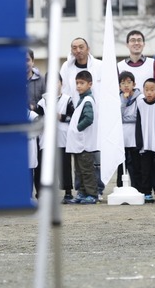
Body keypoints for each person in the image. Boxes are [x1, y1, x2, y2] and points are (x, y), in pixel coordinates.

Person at [59, 38, 104, 198]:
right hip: (74, 117)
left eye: (81, 47)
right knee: (79, 160)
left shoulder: (99, 65)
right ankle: (81, 191)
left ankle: (96, 190)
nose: (78, 50)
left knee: (94, 159)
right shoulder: (66, 67)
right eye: (74, 47)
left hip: (94, 117)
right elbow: (64, 92)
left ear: (88, 48)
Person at [35, 73, 75, 203]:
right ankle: (42, 193)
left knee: (64, 167)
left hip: (62, 140)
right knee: (43, 167)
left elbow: (72, 118)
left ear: (61, 83)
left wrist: (61, 117)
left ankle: (68, 192)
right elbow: (38, 120)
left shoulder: (68, 99)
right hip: (46, 140)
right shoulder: (42, 102)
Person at [66, 71, 99, 204]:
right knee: (79, 170)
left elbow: (89, 118)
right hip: (79, 144)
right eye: (77, 83)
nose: (78, 86)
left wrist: (77, 129)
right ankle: (82, 192)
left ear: (89, 84)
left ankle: (92, 194)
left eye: (82, 83)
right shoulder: (82, 99)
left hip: (84, 143)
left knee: (86, 170)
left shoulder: (87, 100)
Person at [118, 71, 143, 189]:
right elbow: (116, 117)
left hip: (134, 137)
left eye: (129, 82)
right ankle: (120, 187)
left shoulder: (140, 97)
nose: (126, 85)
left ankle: (137, 188)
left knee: (135, 165)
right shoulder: (118, 98)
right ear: (119, 86)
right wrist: (123, 102)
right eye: (123, 83)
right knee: (120, 166)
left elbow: (138, 116)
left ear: (134, 84)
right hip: (121, 137)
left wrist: (124, 118)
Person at [26, 49, 46, 195]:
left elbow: (47, 101)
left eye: (27, 60)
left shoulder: (42, 80)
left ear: (32, 61)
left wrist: (36, 109)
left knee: (40, 162)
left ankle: (41, 193)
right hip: (22, 128)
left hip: (39, 127)